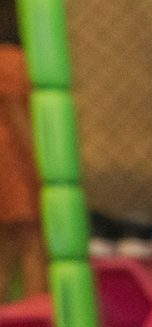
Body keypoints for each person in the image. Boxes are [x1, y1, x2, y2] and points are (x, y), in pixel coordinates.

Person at [0, 0, 48, 302]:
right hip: (14, 157)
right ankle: (35, 312)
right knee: (32, 238)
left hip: (6, 156)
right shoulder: (12, 58)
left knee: (8, 243)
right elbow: (18, 114)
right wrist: (42, 159)